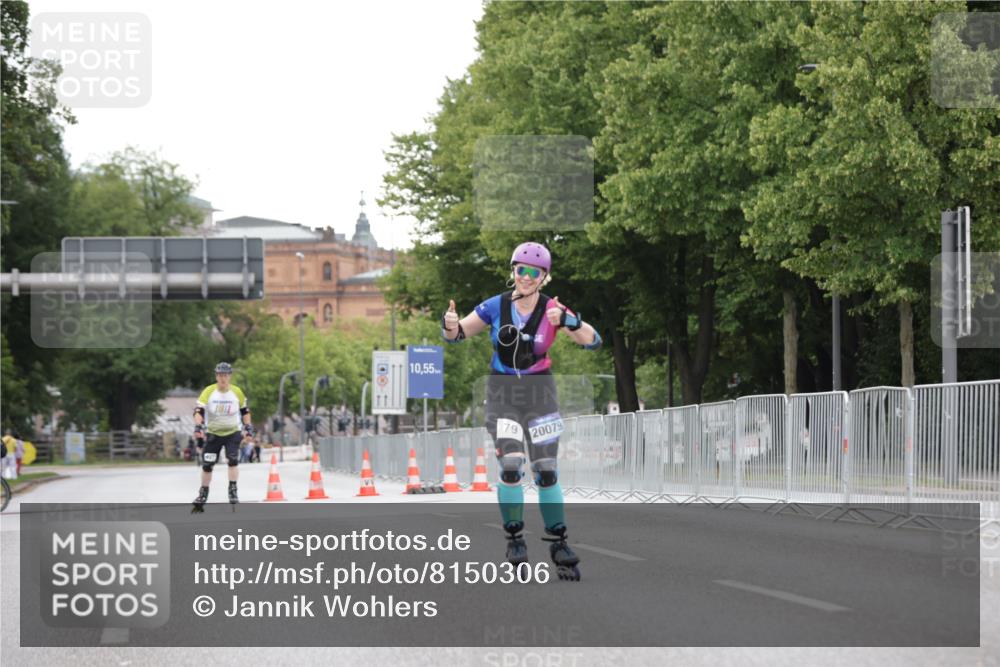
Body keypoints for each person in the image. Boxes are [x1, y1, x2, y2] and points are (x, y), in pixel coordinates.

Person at [442, 242, 602, 581]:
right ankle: (515, 538)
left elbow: (593, 340)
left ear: (545, 277)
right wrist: (449, 323)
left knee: (546, 469)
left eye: (534, 272)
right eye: (521, 270)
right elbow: (456, 335)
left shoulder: (553, 308)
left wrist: (571, 321)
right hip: (502, 393)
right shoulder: (495, 305)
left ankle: (559, 542)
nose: (526, 277)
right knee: (512, 464)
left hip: (540, 393)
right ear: (512, 271)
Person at [191, 362, 254, 510]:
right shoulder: (209, 391)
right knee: (207, 465)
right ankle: (203, 494)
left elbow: (245, 411)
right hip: (213, 433)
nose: (222, 378)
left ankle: (233, 491)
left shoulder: (236, 391)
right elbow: (199, 411)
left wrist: (248, 428)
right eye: (220, 375)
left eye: (225, 375)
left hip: (233, 432)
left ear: (230, 376)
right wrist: (198, 426)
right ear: (216, 376)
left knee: (233, 461)